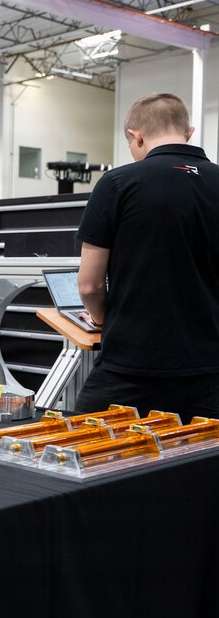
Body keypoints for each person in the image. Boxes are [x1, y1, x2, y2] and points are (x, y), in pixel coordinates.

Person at [74, 92, 219, 420]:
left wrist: (99, 320)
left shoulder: (117, 183)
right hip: (210, 372)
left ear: (134, 135)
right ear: (189, 132)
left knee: (82, 459)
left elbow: (89, 286)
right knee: (200, 468)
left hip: (131, 369)